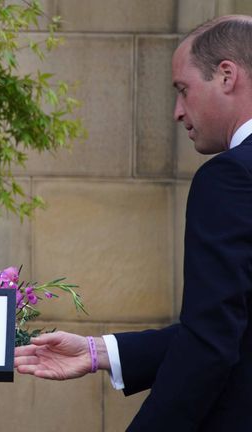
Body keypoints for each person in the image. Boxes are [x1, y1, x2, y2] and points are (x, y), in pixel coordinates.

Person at [14, 15, 252, 431]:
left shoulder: (230, 177)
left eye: (183, 90)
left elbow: (212, 341)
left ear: (227, 75)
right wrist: (97, 351)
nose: (178, 112)